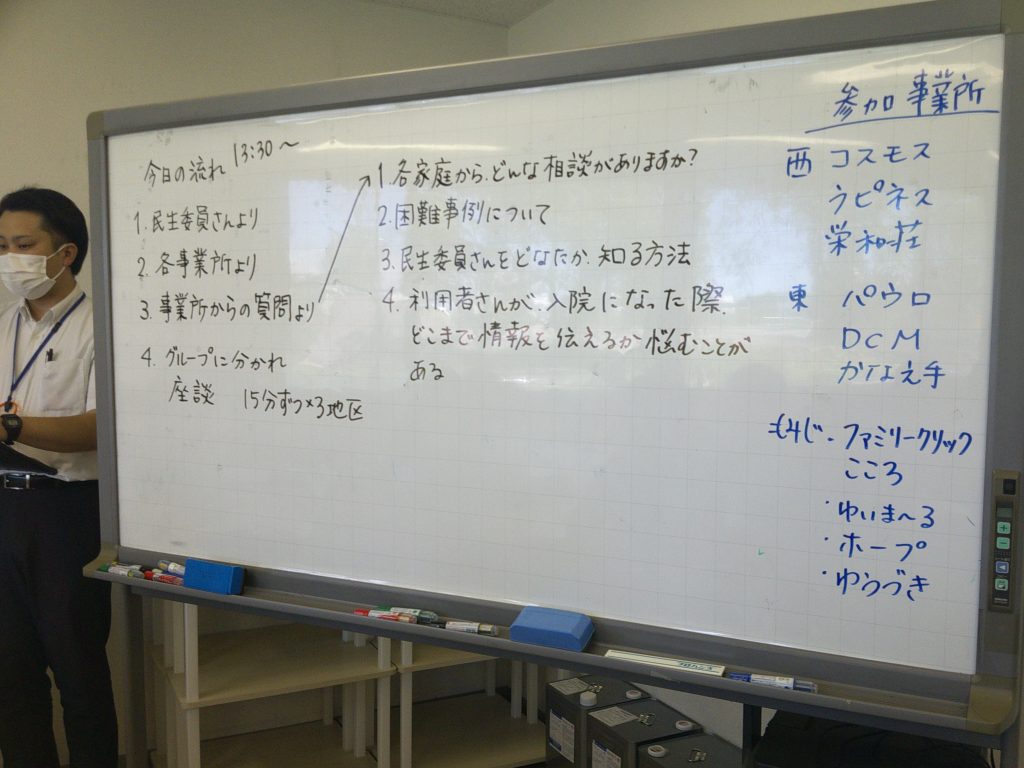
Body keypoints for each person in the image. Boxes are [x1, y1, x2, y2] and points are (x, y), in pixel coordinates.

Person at [0, 187, 118, 767]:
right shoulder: (5, 324)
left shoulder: (102, 326)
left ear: (65, 253)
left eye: (23, 244)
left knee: (79, 671)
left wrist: (10, 427)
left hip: (67, 511)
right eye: (1, 245)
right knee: (10, 672)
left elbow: (100, 428)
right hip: (5, 506)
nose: (9, 258)